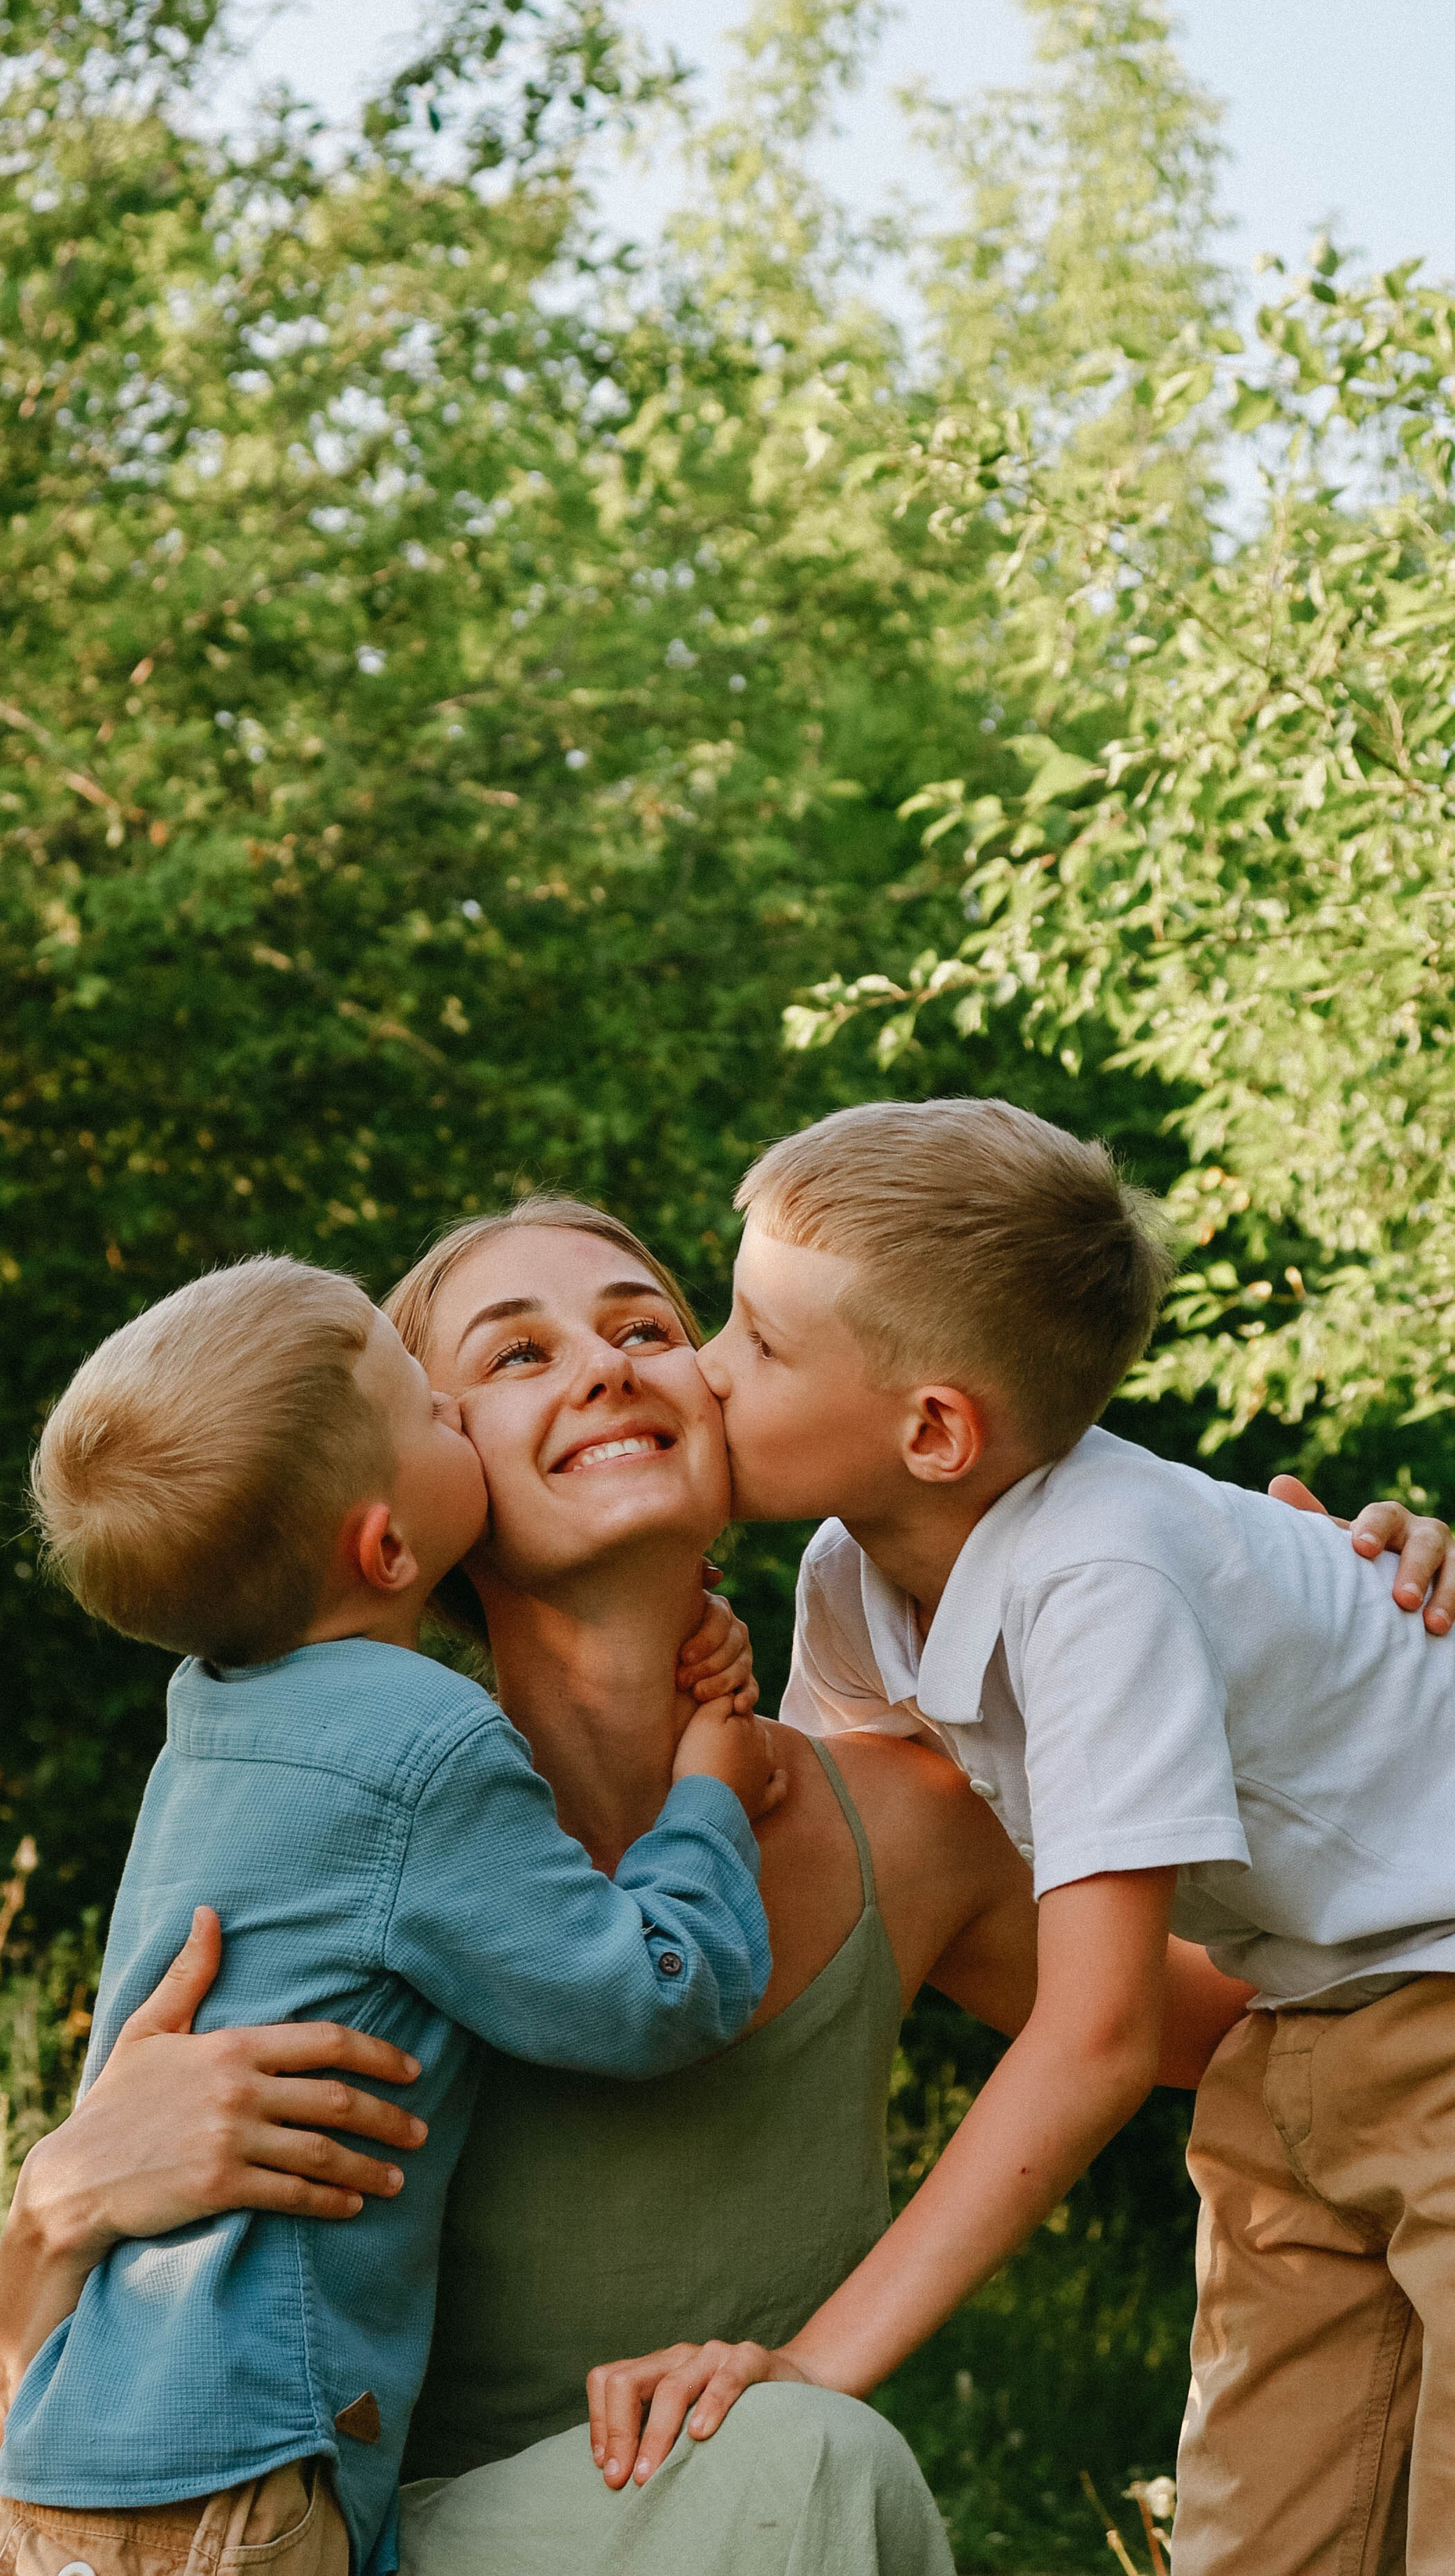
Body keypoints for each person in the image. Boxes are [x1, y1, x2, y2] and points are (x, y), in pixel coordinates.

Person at [0, 1195, 1450, 2576]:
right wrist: (52, 2212)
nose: (604, 1366)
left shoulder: (904, 1823)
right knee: (804, 2458)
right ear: (406, 1492)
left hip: (710, 2521)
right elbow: (15, 2483)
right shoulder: (351, 1849)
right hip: (348, 2542)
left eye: (648, 1328)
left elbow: (1269, 2027)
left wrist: (1324, 1666)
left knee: (800, 2464)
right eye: (513, 1354)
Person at [593, 1100, 1455, 2576]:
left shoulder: (1096, 1575)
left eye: (754, 1341)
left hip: (1432, 2011)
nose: (698, 1371)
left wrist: (814, 2363)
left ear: (930, 1430)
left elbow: (1097, 2034)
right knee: (1252, 2539)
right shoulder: (847, 1579)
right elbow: (839, 1864)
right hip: (1289, 2040)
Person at [0, 1252, 781, 2576]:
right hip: (237, 2470)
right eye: (439, 1408)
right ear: (387, 1545)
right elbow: (658, 1988)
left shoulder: (214, 1716)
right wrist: (707, 1798)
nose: (459, 1416)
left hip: (68, 2459)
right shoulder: (428, 1747)